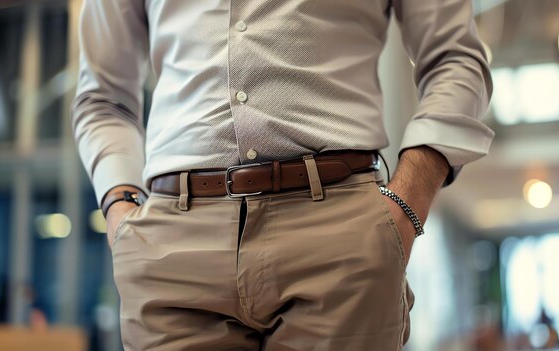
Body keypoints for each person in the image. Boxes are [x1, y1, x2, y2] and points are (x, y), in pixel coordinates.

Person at [71, 0, 494, 350]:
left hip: (339, 240)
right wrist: (118, 211)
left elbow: (456, 58)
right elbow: (103, 97)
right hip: (170, 251)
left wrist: (404, 208)